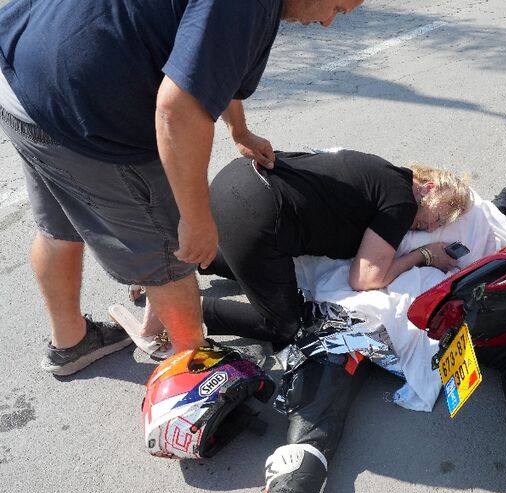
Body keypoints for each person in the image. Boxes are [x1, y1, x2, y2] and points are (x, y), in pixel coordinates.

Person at [0, 0, 364, 376]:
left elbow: (213, 64)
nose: (328, 23)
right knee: (169, 260)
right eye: (336, 7)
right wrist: (195, 218)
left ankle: (71, 343)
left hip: (22, 77)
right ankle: (195, 375)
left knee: (58, 229)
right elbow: (177, 112)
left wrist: (238, 130)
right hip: (84, 110)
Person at [180, 149, 473, 493]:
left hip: (233, 187)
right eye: (428, 221)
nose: (422, 228)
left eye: (428, 229)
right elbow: (367, 276)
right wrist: (426, 255)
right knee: (289, 331)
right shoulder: (402, 201)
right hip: (324, 286)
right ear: (428, 186)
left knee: (323, 384)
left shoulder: (374, 173)